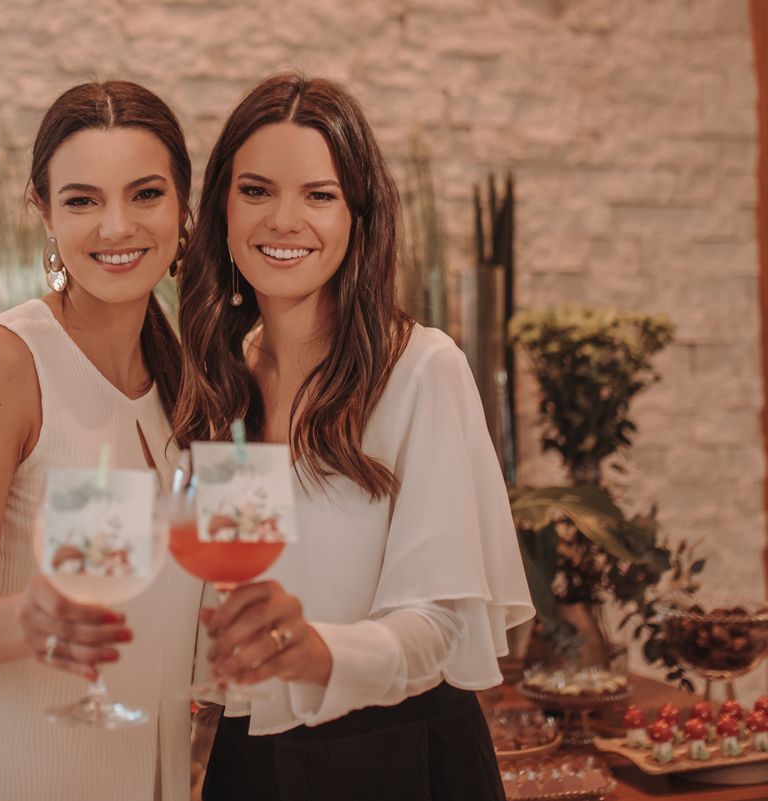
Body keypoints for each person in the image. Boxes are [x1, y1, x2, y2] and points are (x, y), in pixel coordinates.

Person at [173, 73, 535, 800]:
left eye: (320, 194)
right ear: (221, 211)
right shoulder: (217, 381)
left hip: (398, 759)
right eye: (256, 190)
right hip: (247, 762)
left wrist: (318, 652)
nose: (284, 219)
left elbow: (439, 623)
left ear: (358, 218)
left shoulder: (422, 368)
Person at [0, 81, 204, 801]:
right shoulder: (3, 360)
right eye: (83, 200)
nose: (116, 226)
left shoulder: (183, 377)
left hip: (133, 773)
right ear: (45, 213)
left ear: (183, 208)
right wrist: (27, 616)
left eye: (145, 194)